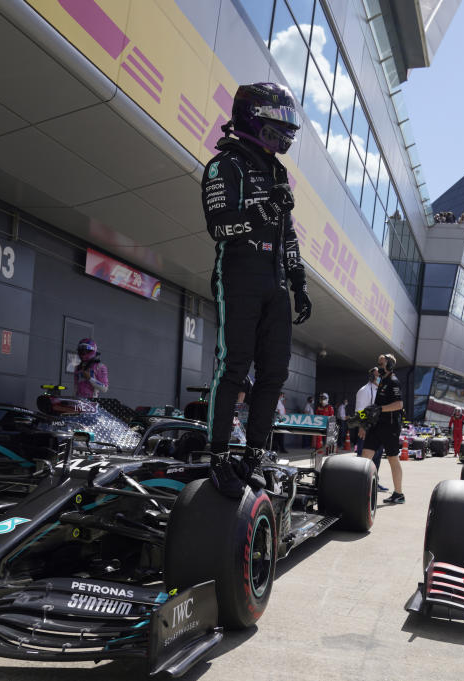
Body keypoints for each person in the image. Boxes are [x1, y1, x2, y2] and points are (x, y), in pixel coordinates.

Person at [201, 82, 311, 497]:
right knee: (233, 367)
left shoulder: (276, 171)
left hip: (276, 283)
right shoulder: (224, 165)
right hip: (239, 276)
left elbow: (288, 235)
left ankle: (254, 455)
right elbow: (219, 226)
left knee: (274, 374)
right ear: (255, 118)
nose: (286, 132)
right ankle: (218, 456)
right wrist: (263, 209)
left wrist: (298, 282)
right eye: (279, 123)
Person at [361, 353, 405, 504]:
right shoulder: (382, 381)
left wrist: (379, 409)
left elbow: (399, 405)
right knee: (365, 457)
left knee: (393, 459)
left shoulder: (394, 382)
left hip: (390, 427)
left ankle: (399, 494)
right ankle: (358, 489)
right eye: (378, 364)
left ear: (390, 365)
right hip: (377, 425)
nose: (379, 367)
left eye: (381, 364)